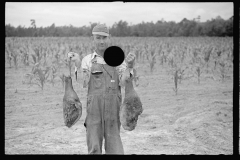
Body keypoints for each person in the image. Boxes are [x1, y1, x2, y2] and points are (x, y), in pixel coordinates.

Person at [67, 24, 136, 154]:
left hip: (113, 107)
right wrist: (77, 63)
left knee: (114, 146)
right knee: (94, 146)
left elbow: (123, 82)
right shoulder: (88, 60)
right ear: (93, 39)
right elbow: (84, 82)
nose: (101, 41)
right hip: (94, 108)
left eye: (104, 38)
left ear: (109, 38)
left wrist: (129, 67)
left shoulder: (118, 59)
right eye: (98, 38)